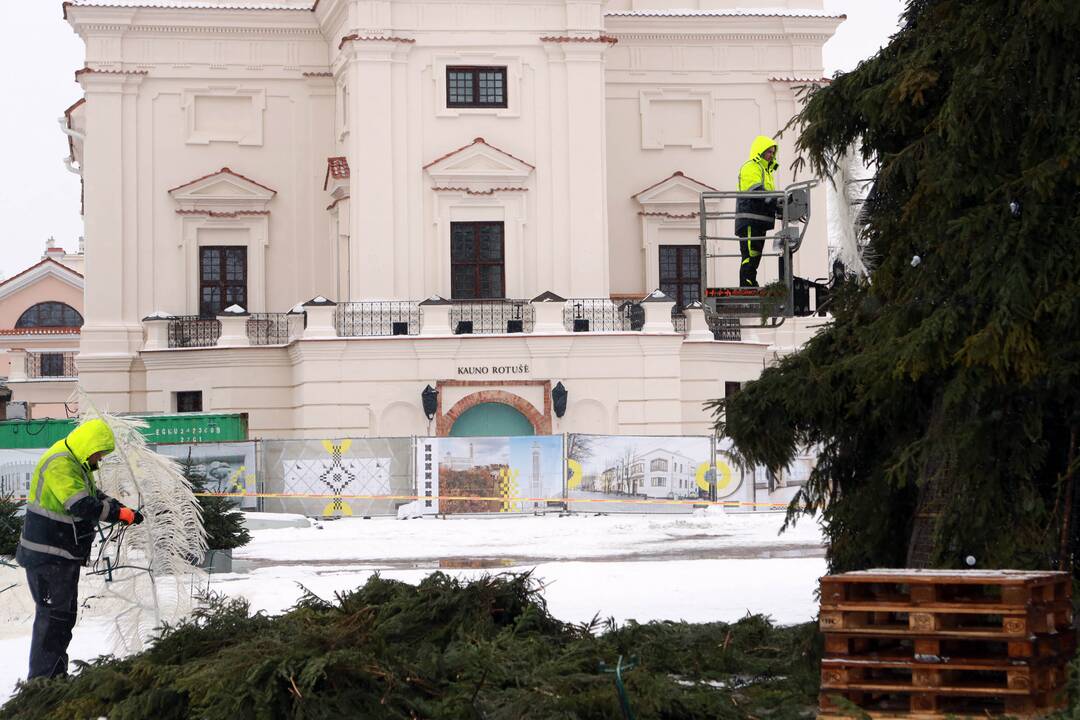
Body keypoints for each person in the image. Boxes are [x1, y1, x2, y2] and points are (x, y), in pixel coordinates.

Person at [15, 418, 144, 680]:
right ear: (88, 445)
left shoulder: (74, 462)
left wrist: (122, 508)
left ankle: (54, 676)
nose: (100, 458)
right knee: (53, 620)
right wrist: (120, 514)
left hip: (60, 555)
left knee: (62, 620)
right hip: (48, 556)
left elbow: (94, 495)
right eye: (99, 452)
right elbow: (82, 506)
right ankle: (43, 683)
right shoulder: (59, 462)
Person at [735, 135, 781, 287]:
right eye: (768, 152)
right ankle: (747, 284)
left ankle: (750, 281)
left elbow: (768, 196)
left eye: (773, 152)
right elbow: (756, 191)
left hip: (759, 220)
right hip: (750, 219)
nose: (771, 155)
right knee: (750, 254)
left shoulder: (766, 171)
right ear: (760, 152)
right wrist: (777, 201)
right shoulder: (751, 167)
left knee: (755, 254)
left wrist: (778, 204)